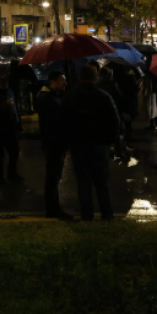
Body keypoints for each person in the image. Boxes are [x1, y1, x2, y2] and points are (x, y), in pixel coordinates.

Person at [62, 63, 120, 221]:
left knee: (83, 183)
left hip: (78, 145)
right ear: (95, 78)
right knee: (101, 183)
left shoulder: (71, 96)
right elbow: (115, 121)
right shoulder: (103, 96)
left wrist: (70, 141)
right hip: (99, 145)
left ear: (80, 78)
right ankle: (107, 214)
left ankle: (87, 215)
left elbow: (63, 121)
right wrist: (109, 141)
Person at [36, 70, 71, 219]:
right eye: (62, 80)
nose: (65, 83)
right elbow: (56, 120)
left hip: (55, 143)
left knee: (54, 177)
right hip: (54, 143)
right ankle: (52, 209)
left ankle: (54, 208)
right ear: (53, 82)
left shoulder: (51, 96)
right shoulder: (47, 99)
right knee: (52, 177)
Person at [0, 76, 22, 182]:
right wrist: (5, 104)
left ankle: (12, 172)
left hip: (11, 126)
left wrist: (17, 121)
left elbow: (14, 107)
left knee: (14, 151)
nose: (5, 80)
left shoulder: (10, 90)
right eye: (3, 78)